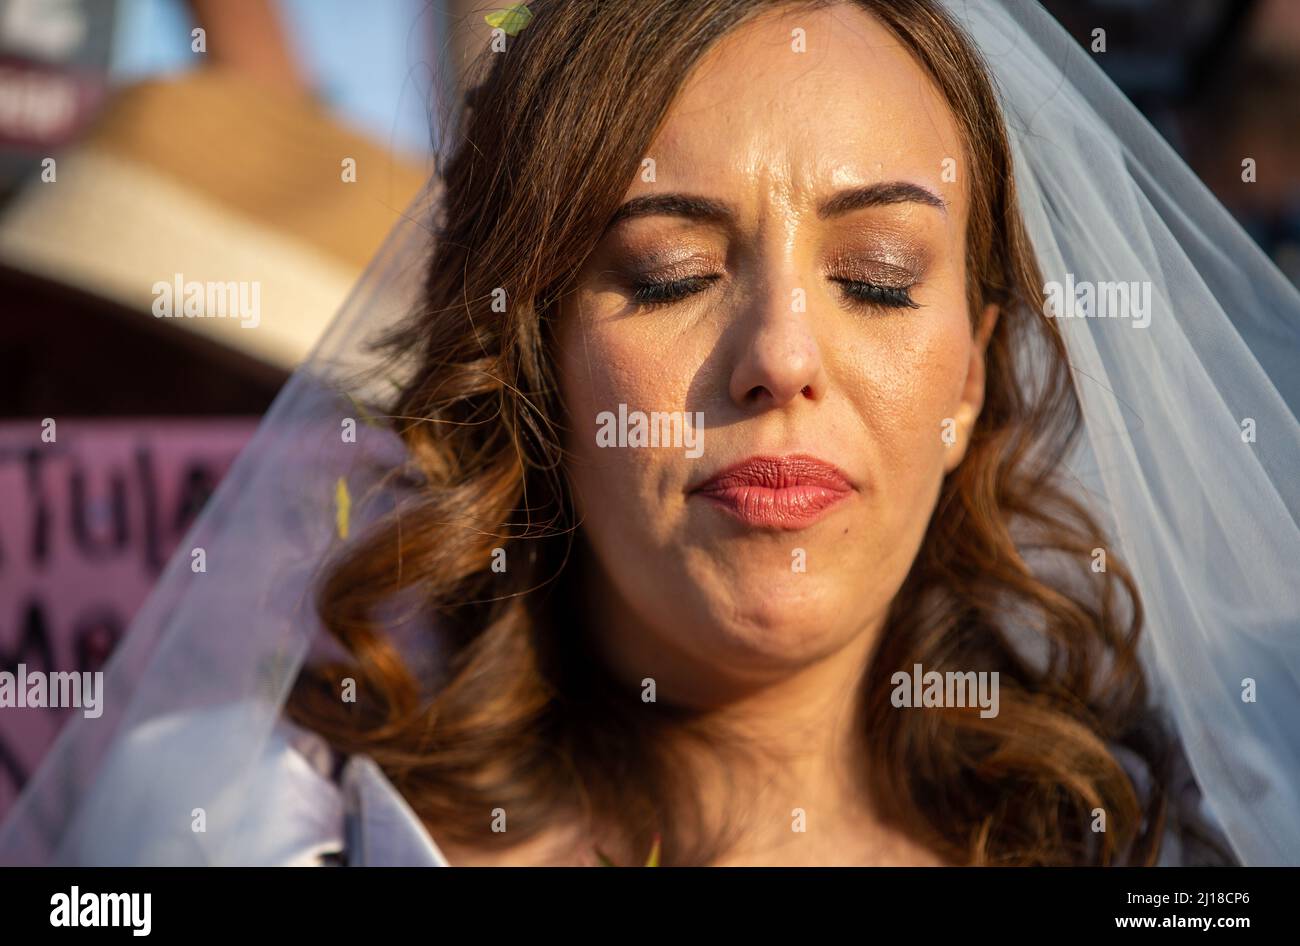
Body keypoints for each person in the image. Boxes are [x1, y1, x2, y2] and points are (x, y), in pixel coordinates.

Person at [2, 0, 1297, 867]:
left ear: (971, 373)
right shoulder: (240, 828)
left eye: (882, 276)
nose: (783, 357)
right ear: (534, 359)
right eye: (671, 272)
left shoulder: (1162, 847)